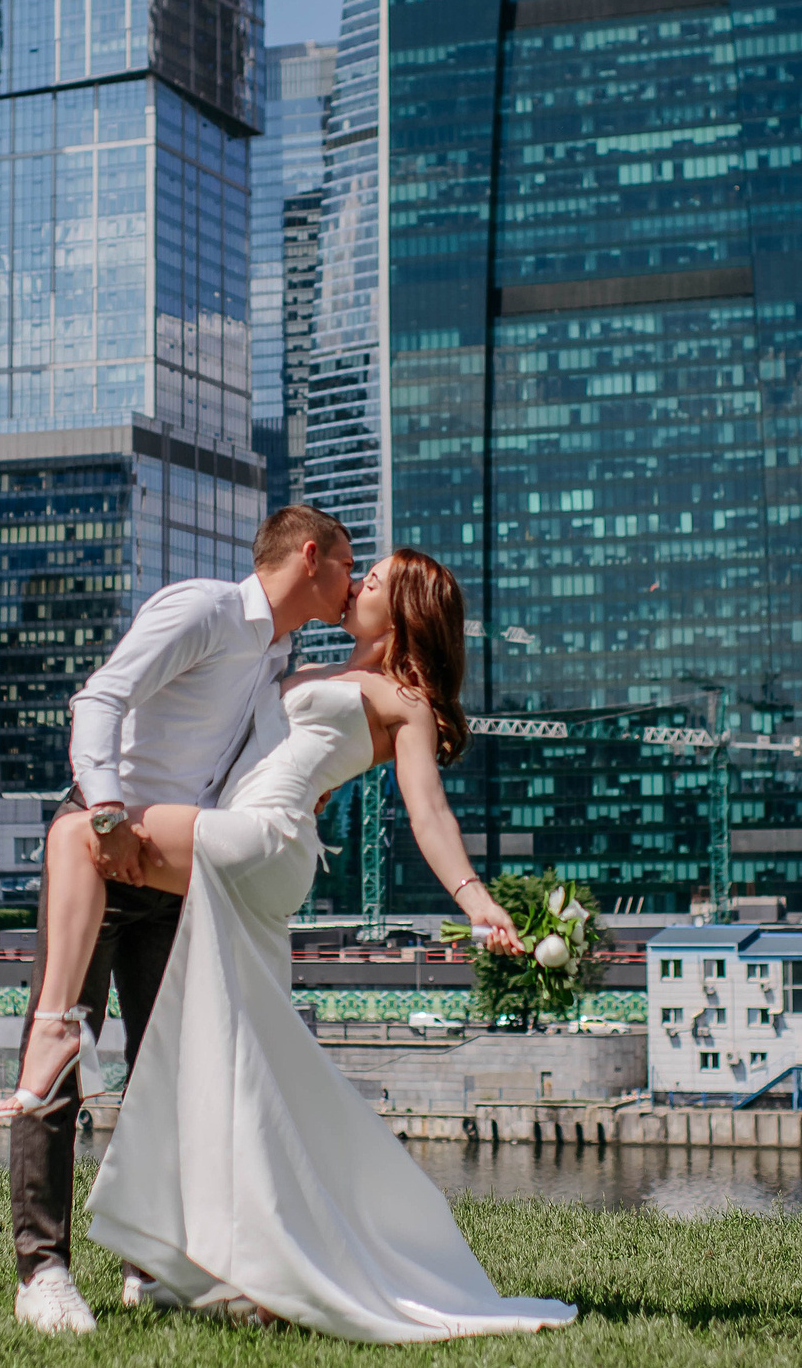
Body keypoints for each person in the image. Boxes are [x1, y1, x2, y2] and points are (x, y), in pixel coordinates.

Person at [64, 550, 577, 1341]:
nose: (357, 584)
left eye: (373, 581)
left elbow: (428, 812)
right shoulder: (306, 666)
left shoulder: (406, 701)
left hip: (264, 838)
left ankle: (52, 1037)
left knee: (83, 832)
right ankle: (231, 1268)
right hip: (249, 841)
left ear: (403, 610)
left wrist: (476, 899)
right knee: (230, 1063)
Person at [6, 505, 358, 1338]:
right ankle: (42, 1272)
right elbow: (100, 697)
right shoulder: (204, 609)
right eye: (350, 566)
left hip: (173, 869)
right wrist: (106, 813)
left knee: (169, 1072)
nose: (353, 584)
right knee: (60, 1046)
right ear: (312, 556)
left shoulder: (276, 655)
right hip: (103, 849)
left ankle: (152, 1264)